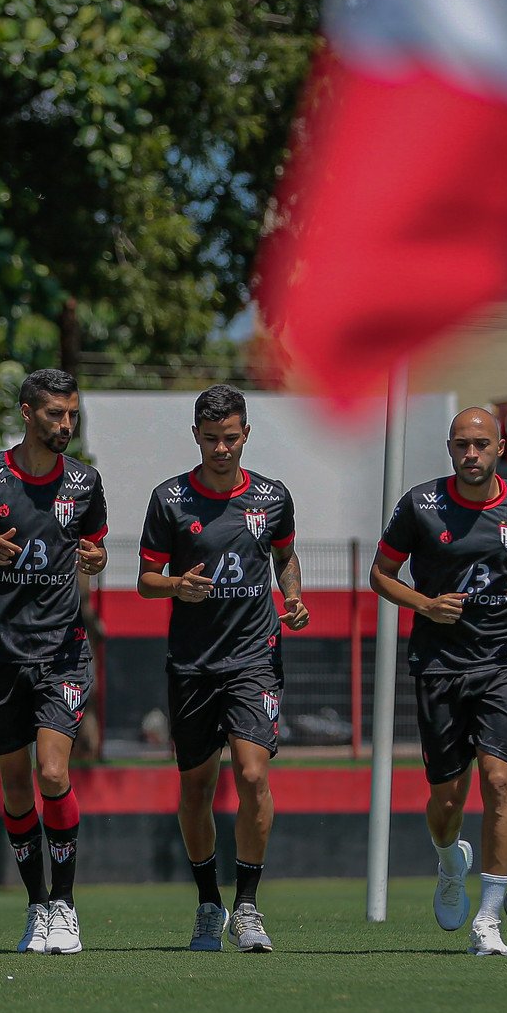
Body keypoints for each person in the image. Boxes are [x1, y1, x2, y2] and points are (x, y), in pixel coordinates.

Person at [370, 407, 507, 957]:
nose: (472, 454)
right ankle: (447, 861)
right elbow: (381, 574)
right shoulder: (420, 504)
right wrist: (426, 605)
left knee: (500, 782)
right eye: (462, 444)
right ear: (450, 448)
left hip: (504, 663)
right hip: (438, 665)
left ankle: (488, 919)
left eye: (481, 444)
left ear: (500, 447)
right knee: (446, 802)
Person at [0, 368, 108, 955]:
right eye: (56, 414)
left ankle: (66, 905)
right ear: (28, 414)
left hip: (62, 653)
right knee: (14, 788)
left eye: (72, 413)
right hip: (1, 655)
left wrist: (96, 558)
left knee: (52, 774)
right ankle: (36, 906)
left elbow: (95, 548)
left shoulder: (85, 482)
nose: (66, 424)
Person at [138, 384, 309, 953]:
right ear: (196, 435)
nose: (221, 448)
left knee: (253, 775)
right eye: (211, 438)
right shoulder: (169, 499)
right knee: (196, 787)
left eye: (230, 438)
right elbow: (146, 581)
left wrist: (293, 598)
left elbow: (285, 556)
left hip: (254, 657)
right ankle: (210, 903)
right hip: (192, 664)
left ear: (246, 435)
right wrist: (176, 586)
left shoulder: (271, 496)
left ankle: (249, 906)